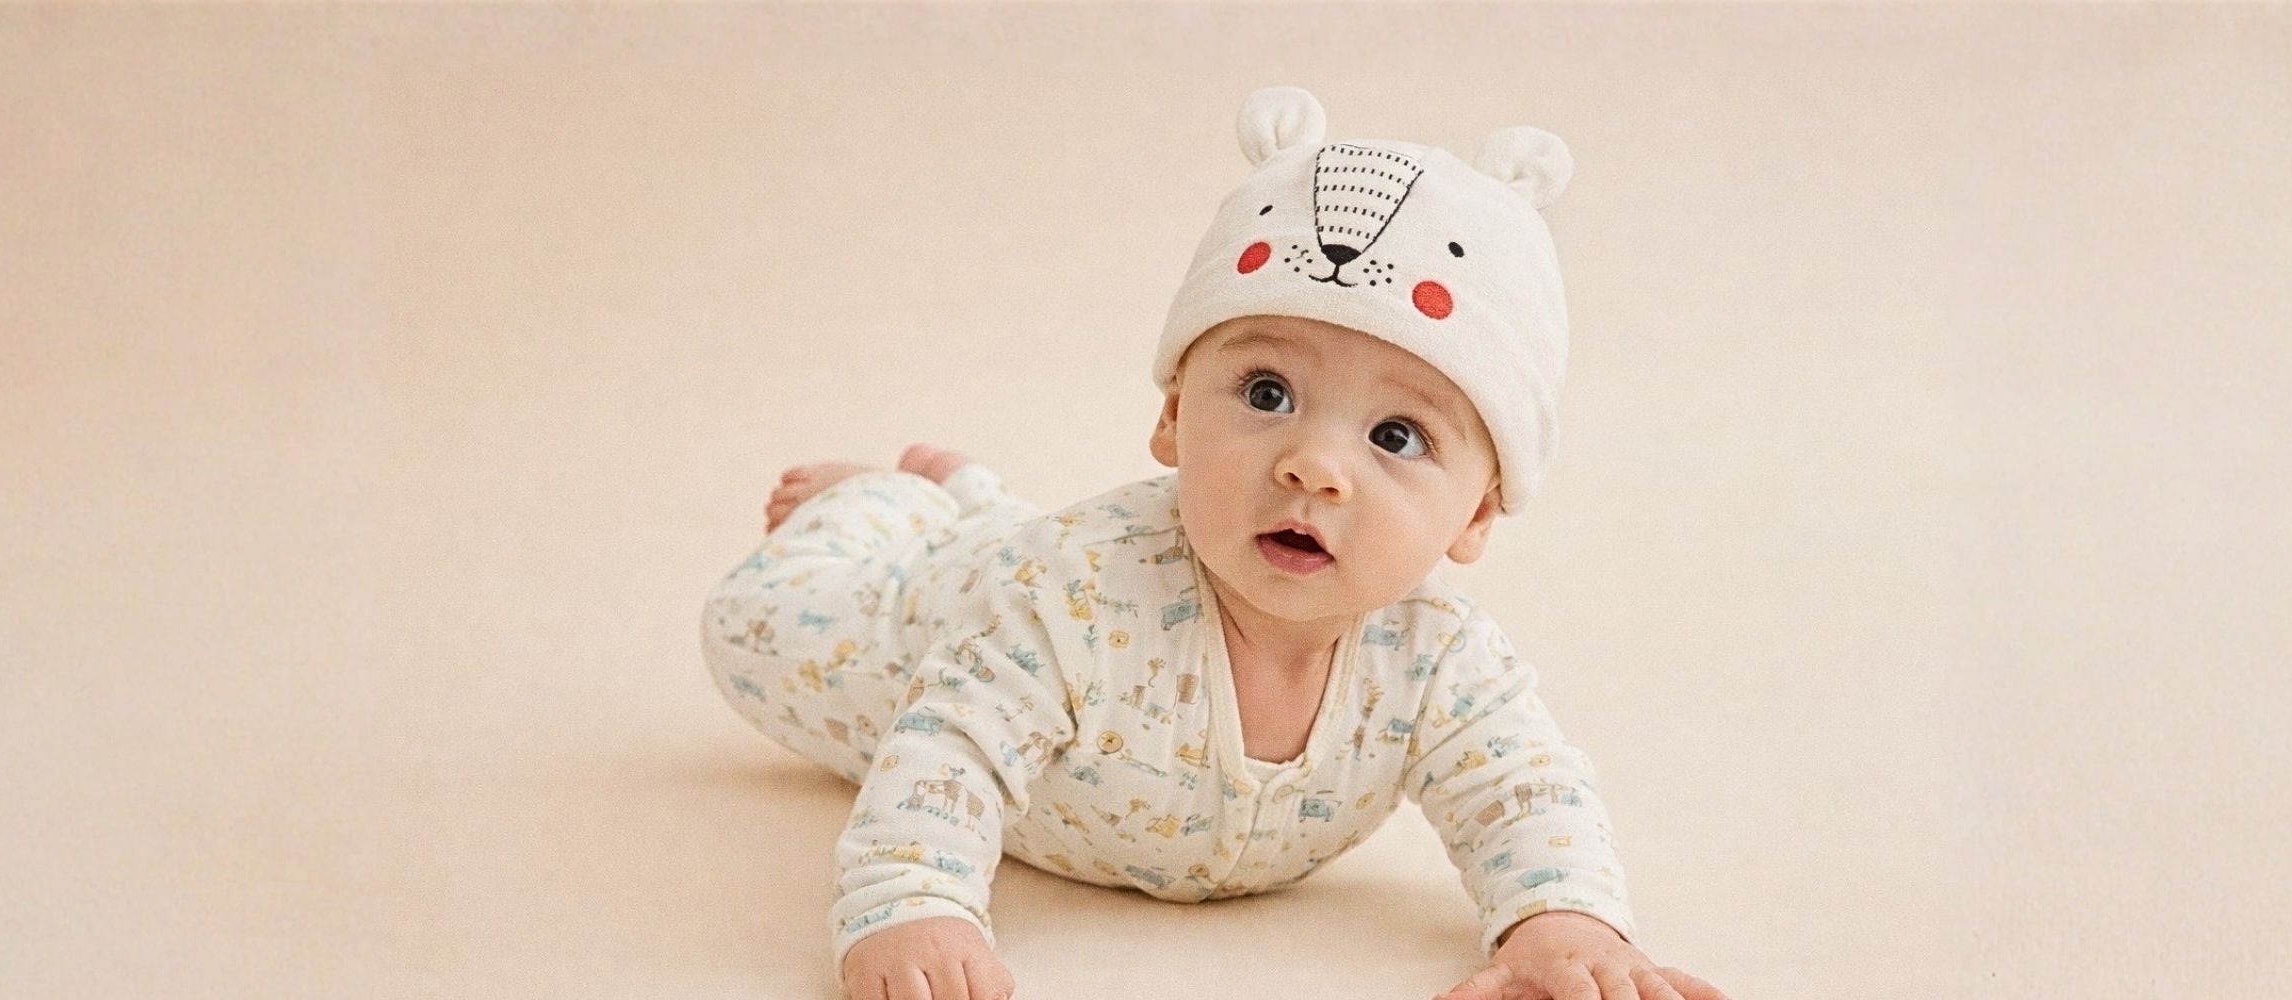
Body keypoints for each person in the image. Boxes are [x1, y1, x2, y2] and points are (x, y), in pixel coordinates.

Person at [703, 86, 1728, 1000]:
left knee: (1012, 535)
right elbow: (950, 747)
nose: (1314, 466)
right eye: (1267, 393)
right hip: (927, 616)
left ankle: (970, 495)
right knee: (753, 630)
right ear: (1173, 418)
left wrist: (1561, 921)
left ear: (1473, 517)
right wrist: (910, 903)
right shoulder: (1074, 605)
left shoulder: (1439, 660)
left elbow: (1526, 791)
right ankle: (887, 503)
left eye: (1397, 436)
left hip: (1031, 558)